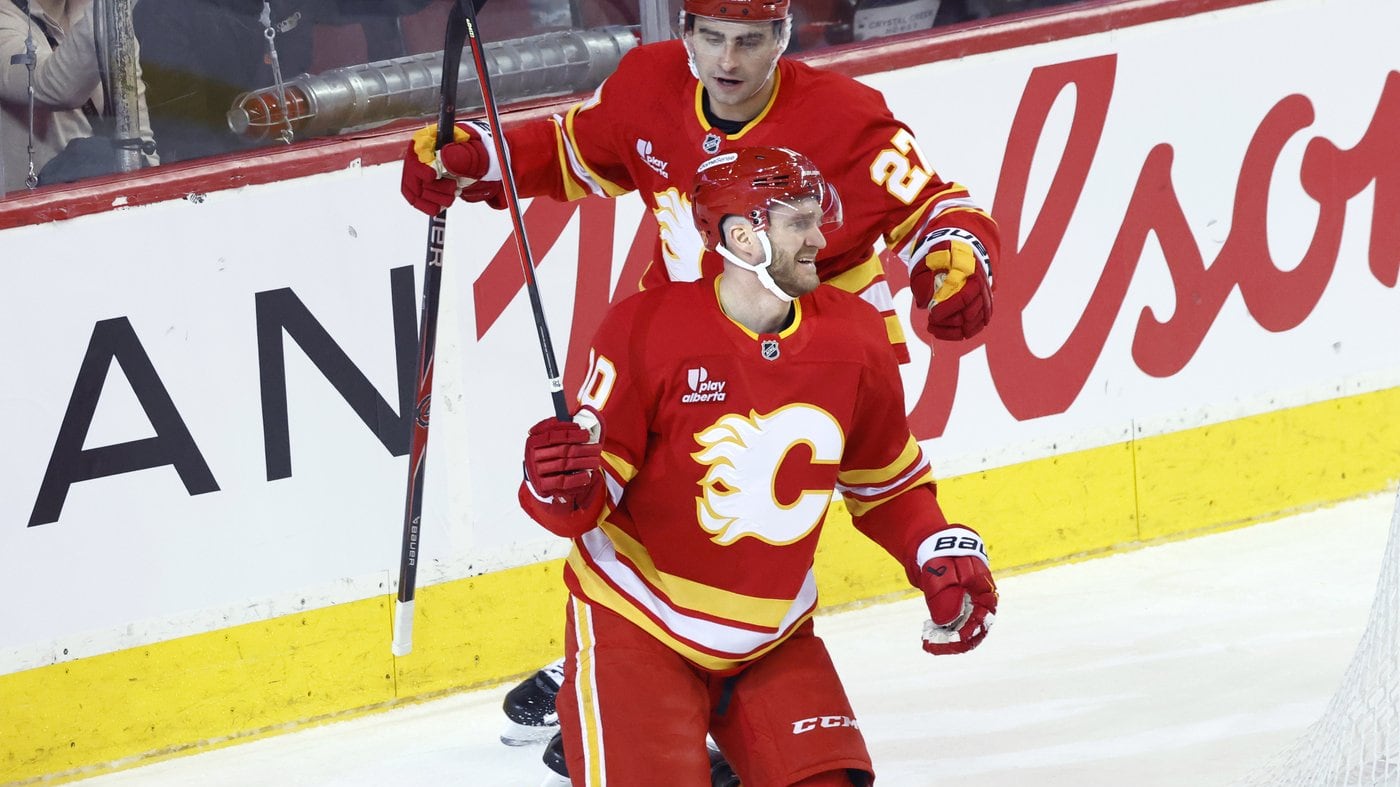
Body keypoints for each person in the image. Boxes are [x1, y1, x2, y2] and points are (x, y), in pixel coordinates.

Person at [398, 0, 1001, 749]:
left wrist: (956, 258)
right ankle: (633, 647)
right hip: (684, 329)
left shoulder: (845, 117)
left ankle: (708, 680)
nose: (728, 61)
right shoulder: (650, 84)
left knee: (752, 496)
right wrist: (480, 159)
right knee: (645, 490)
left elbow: (935, 205)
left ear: (782, 36)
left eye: (750, 41)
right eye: (711, 39)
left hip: (809, 337)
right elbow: (572, 151)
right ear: (684, 33)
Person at [517, 146, 997, 786]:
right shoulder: (647, 328)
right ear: (742, 236)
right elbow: (583, 506)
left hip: (774, 638)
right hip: (638, 627)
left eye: (814, 220)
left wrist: (935, 544)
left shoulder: (855, 333)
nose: (819, 239)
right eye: (797, 223)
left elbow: (884, 483)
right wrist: (553, 482)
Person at [1, 0, 156, 193]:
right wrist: (110, 9)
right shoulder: (5, 17)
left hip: (116, 197)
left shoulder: (92, 9)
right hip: (44, 214)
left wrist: (154, 192)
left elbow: (139, 128)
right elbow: (54, 86)